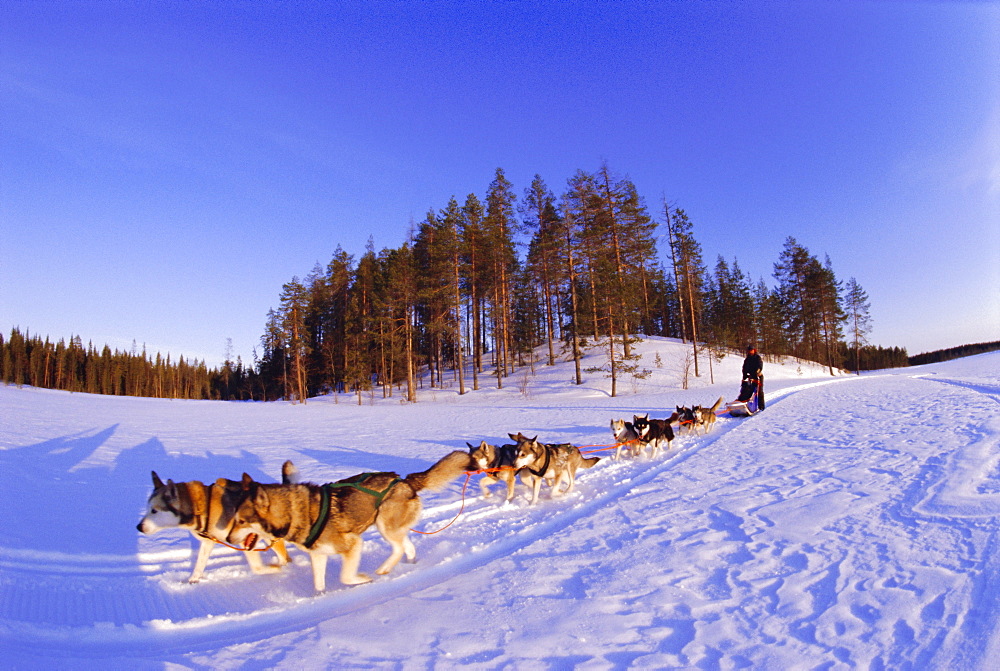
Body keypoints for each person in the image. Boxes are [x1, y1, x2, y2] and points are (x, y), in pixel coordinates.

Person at [741, 346, 765, 410]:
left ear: (754, 350)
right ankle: (744, 403)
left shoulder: (757, 358)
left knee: (759, 391)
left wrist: (758, 371)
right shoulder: (747, 359)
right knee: (746, 389)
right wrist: (744, 376)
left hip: (758, 376)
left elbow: (760, 365)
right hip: (750, 376)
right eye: (749, 350)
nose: (750, 351)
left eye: (751, 350)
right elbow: (744, 368)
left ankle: (761, 407)